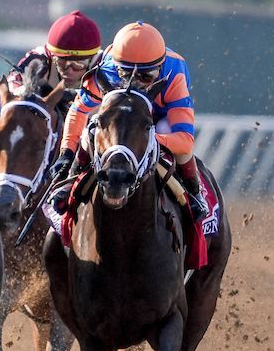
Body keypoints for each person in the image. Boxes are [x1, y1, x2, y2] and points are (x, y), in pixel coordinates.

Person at [48, 21, 207, 220]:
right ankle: (71, 180)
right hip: (121, 116)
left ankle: (194, 191)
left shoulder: (173, 72)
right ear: (117, 67)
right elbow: (78, 111)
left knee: (171, 135)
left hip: (159, 117)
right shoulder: (106, 69)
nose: (135, 82)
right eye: (125, 74)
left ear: (160, 67)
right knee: (92, 128)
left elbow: (184, 140)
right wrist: (66, 152)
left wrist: (147, 140)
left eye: (146, 77)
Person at [6, 10, 103, 115]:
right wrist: (27, 91)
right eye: (62, 63)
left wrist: (70, 95)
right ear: (53, 56)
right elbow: (14, 80)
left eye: (77, 65)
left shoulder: (103, 64)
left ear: (91, 59)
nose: (69, 71)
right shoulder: (40, 58)